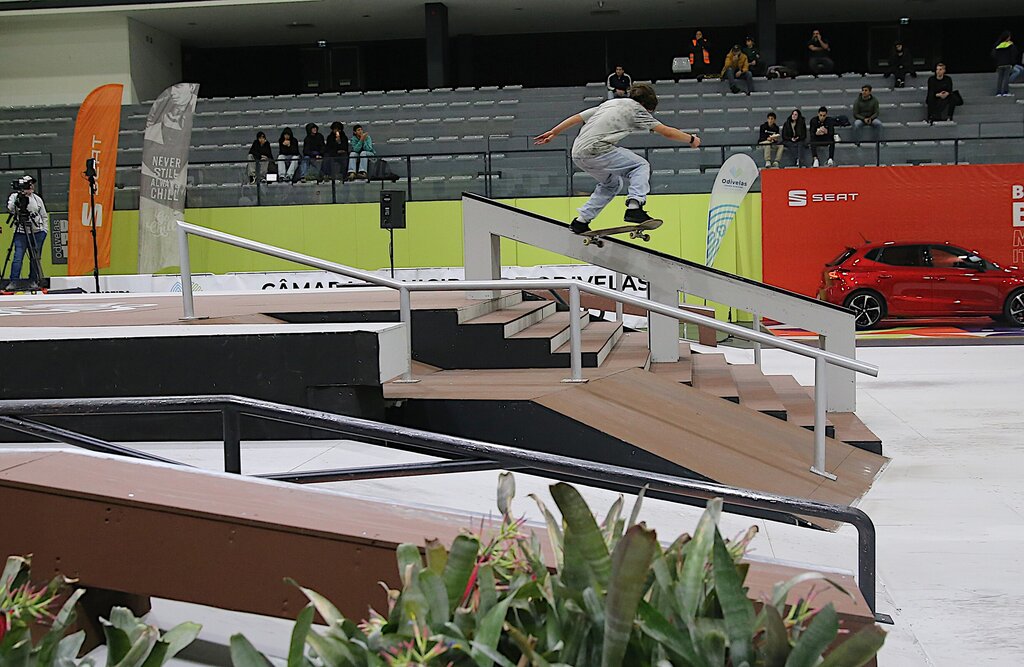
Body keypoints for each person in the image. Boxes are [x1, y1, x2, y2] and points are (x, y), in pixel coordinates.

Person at [533, 82, 701, 234]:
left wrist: (554, 132)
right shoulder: (637, 110)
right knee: (640, 166)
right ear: (647, 104)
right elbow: (667, 132)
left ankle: (581, 221)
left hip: (578, 153)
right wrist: (691, 139)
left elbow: (578, 117)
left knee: (612, 184)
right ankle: (634, 207)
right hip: (597, 150)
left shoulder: (610, 103)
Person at [5, 176, 47, 289]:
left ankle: (33, 280)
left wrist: (45, 231)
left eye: (31, 184)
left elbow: (44, 215)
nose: (31, 186)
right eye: (28, 184)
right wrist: (20, 197)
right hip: (21, 233)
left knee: (35, 258)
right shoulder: (14, 196)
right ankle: (14, 281)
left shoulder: (37, 199)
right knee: (18, 258)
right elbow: (10, 208)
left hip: (37, 233)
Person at [991, 31, 1018, 96]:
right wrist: (1012, 63)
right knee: (1006, 78)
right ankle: (1005, 92)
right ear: (1007, 37)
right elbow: (1014, 54)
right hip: (1007, 63)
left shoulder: (998, 45)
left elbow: (993, 55)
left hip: (1000, 64)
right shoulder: (1010, 45)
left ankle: (998, 92)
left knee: (1000, 78)